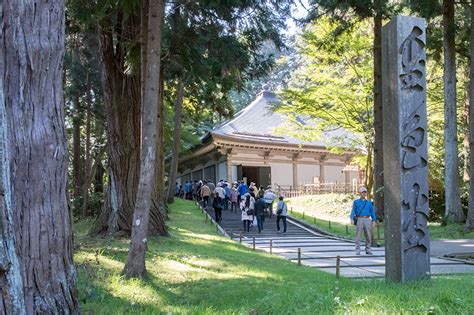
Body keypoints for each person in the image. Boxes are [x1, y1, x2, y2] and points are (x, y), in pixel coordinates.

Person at [350, 187, 377, 255]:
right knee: (358, 235)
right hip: (359, 219)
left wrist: (374, 220)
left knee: (368, 235)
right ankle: (357, 249)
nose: (364, 193)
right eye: (362, 192)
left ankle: (368, 249)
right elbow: (353, 210)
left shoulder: (369, 202)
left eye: (365, 192)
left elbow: (372, 211)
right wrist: (352, 218)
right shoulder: (356, 202)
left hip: (367, 219)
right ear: (359, 193)